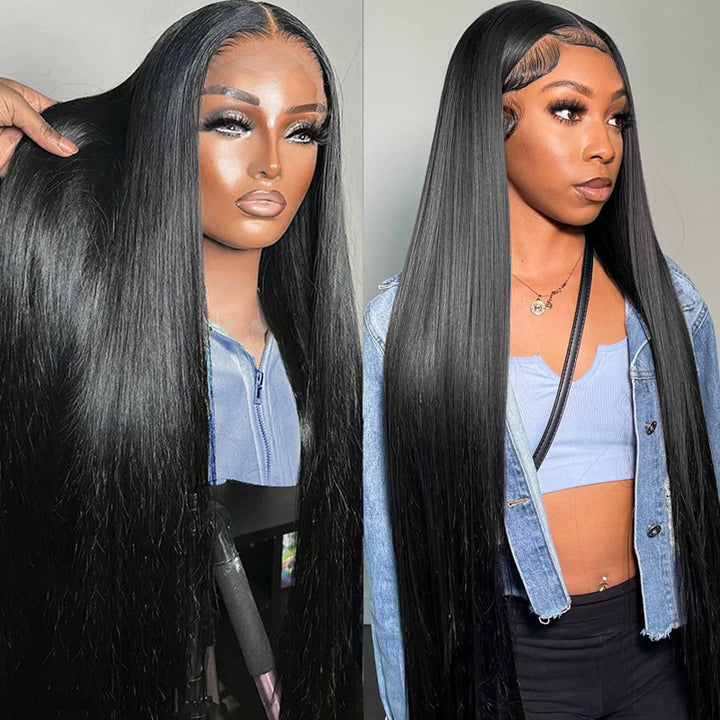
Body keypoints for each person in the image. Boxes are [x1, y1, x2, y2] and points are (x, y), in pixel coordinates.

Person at [0, 2, 361, 719]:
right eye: (232, 122)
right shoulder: (73, 343)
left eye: (302, 130)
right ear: (164, 131)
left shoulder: (334, 360)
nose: (271, 162)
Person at [364, 2, 720, 719]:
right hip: (510, 668)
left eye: (617, 117)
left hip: (661, 651)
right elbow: (389, 562)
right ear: (488, 123)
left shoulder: (667, 304)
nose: (604, 145)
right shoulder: (404, 326)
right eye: (568, 111)